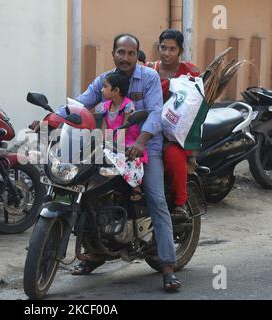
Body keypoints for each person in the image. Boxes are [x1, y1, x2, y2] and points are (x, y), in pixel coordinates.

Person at [31, 33, 180, 291]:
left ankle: (167, 266)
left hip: (145, 147)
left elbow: (155, 113)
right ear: (113, 54)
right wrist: (48, 121)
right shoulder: (105, 81)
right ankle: (95, 252)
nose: (125, 57)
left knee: (156, 199)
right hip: (110, 146)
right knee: (86, 188)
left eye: (131, 53)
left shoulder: (149, 78)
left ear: (137, 55)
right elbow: (78, 105)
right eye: (120, 52)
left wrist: (142, 141)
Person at [146, 29, 201, 220]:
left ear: (180, 51)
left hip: (179, 135)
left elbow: (197, 106)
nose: (166, 53)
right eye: (163, 48)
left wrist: (193, 152)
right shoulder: (148, 70)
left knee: (172, 156)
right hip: (150, 131)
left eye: (172, 49)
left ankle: (180, 204)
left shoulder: (191, 72)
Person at [95, 70, 147, 201]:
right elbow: (104, 126)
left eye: (105, 86)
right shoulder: (105, 107)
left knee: (130, 157)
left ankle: (136, 186)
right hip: (110, 140)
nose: (102, 90)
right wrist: (102, 142)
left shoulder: (127, 106)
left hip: (126, 140)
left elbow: (125, 127)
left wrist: (112, 146)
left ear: (116, 90)